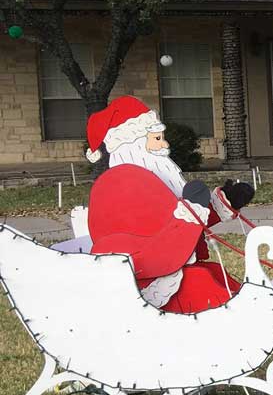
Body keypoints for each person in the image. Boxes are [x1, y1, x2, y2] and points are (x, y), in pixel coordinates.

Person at [85, 96, 255, 313]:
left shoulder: (153, 182)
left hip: (177, 266)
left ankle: (255, 307)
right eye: (157, 139)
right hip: (149, 279)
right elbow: (157, 237)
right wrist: (192, 211)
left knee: (215, 274)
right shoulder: (119, 188)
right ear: (134, 144)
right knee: (204, 285)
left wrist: (225, 201)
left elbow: (184, 221)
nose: (164, 145)